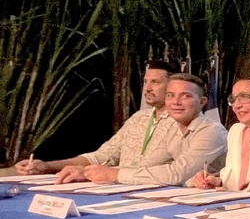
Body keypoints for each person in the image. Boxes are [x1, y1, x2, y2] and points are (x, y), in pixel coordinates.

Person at [14, 60, 178, 182]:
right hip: (118, 190)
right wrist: (46, 166)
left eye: (155, 82)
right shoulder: (138, 119)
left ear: (174, 86)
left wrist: (90, 173)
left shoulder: (182, 122)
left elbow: (153, 168)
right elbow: (100, 156)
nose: (147, 88)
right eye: (145, 82)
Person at [80, 73, 227, 185]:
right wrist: (88, 172)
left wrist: (114, 175)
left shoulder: (211, 131)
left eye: (185, 96)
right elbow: (146, 166)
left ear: (202, 102)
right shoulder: (173, 129)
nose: (175, 102)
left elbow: (176, 174)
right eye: (170, 95)